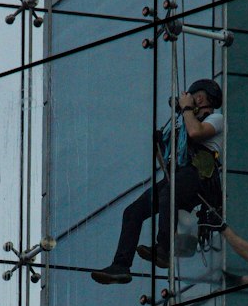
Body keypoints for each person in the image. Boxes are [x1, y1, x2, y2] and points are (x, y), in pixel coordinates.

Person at [91, 79, 224, 285]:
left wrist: (186, 107)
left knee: (167, 194)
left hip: (199, 176)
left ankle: (164, 248)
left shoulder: (216, 118)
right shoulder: (186, 120)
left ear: (200, 97)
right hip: (180, 175)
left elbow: (196, 132)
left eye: (194, 96)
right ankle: (121, 265)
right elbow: (171, 159)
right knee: (133, 212)